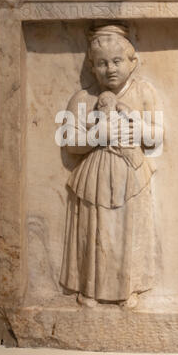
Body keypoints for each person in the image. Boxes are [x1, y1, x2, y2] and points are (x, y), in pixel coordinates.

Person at [60, 23, 156, 308]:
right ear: (92, 66)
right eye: (102, 63)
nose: (110, 69)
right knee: (95, 232)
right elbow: (70, 142)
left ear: (132, 62)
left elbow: (156, 137)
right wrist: (98, 136)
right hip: (96, 175)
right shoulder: (83, 98)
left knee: (129, 232)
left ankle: (130, 289)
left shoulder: (143, 93)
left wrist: (135, 124)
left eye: (116, 61)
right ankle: (89, 290)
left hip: (132, 175)